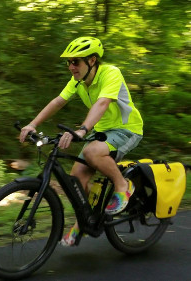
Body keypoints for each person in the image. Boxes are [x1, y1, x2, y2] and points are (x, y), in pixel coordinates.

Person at [19, 36, 143, 246]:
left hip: (127, 129)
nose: (71, 66)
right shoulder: (77, 82)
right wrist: (32, 124)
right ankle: (83, 222)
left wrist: (83, 129)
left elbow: (103, 103)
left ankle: (123, 185)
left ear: (92, 60)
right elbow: (58, 101)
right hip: (103, 131)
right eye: (68, 62)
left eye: (75, 61)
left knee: (92, 153)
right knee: (76, 180)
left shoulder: (110, 73)